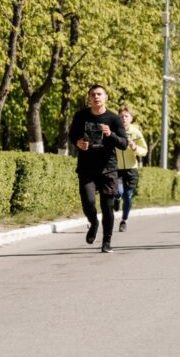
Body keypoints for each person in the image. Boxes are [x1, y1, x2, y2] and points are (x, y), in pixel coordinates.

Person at [68, 84, 128, 253]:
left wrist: (111, 134)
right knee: (88, 202)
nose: (96, 97)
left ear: (106, 97)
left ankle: (106, 242)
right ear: (89, 98)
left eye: (99, 94)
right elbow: (72, 135)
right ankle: (93, 222)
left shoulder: (114, 119)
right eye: (93, 94)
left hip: (108, 169)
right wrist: (78, 143)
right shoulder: (81, 116)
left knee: (107, 207)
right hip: (86, 168)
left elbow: (123, 144)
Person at [115, 105, 148, 232]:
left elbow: (144, 150)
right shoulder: (114, 131)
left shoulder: (136, 132)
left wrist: (135, 148)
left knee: (128, 196)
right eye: (121, 116)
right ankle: (117, 199)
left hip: (131, 169)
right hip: (117, 168)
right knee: (119, 192)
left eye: (126, 116)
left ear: (131, 118)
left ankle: (124, 221)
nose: (124, 118)